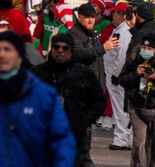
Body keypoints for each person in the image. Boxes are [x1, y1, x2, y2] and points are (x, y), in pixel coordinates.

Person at [0, 32, 75, 167]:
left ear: (19, 56)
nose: (2, 55)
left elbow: (61, 139)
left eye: (7, 49)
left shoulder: (43, 95)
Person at [32, 35, 104, 167]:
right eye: (57, 47)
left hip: (74, 136)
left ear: (71, 51)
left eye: (65, 48)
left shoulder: (83, 73)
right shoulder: (38, 73)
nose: (60, 51)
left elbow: (99, 101)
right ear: (51, 49)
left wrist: (85, 120)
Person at [117, 28, 155, 167]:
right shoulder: (132, 60)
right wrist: (136, 74)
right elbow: (122, 80)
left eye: (149, 48)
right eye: (143, 47)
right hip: (137, 104)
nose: (146, 50)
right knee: (139, 141)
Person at [103, 0, 134, 152]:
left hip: (116, 76)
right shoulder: (120, 30)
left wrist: (117, 74)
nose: (112, 16)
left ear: (121, 15)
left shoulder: (123, 31)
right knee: (121, 107)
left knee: (120, 107)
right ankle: (124, 138)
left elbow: (122, 55)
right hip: (114, 74)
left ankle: (122, 139)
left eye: (115, 13)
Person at [65, 3, 105, 70]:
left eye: (92, 17)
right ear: (79, 17)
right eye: (87, 17)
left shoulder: (95, 33)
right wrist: (103, 48)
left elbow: (98, 60)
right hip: (81, 77)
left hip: (97, 78)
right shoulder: (73, 34)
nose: (90, 20)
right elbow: (79, 53)